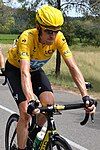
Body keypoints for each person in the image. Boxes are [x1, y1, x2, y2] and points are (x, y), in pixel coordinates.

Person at [5, 5, 96, 150]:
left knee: (49, 103)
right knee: (25, 113)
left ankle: (33, 132)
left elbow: (73, 67)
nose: (52, 36)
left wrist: (85, 96)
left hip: (34, 70)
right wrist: (31, 100)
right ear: (38, 27)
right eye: (48, 31)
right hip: (16, 70)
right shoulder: (27, 38)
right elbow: (24, 72)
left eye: (55, 31)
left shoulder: (59, 38)